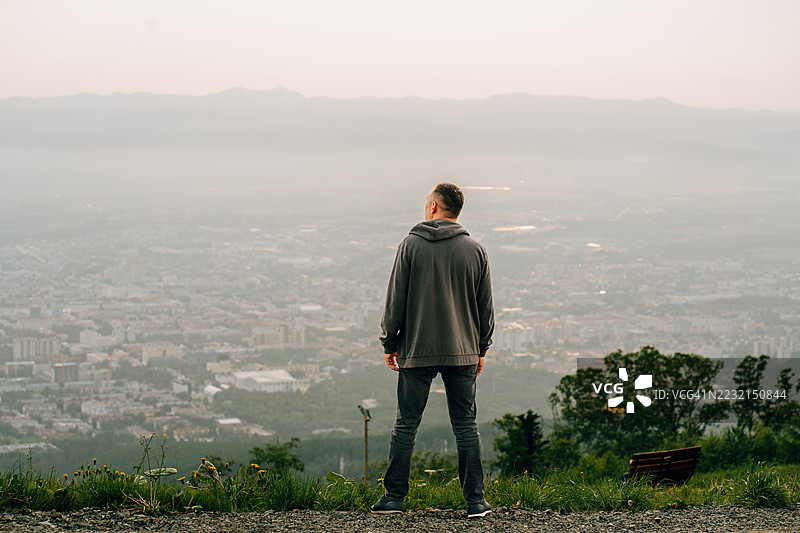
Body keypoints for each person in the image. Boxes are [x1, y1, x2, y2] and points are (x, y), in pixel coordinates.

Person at [372, 182, 494, 518]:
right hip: (463, 351)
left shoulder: (410, 246)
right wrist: (481, 347)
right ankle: (475, 502)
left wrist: (389, 342)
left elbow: (394, 300)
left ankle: (394, 498)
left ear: (433, 208)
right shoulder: (476, 250)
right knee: (466, 425)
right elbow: (486, 308)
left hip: (417, 348)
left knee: (407, 424)